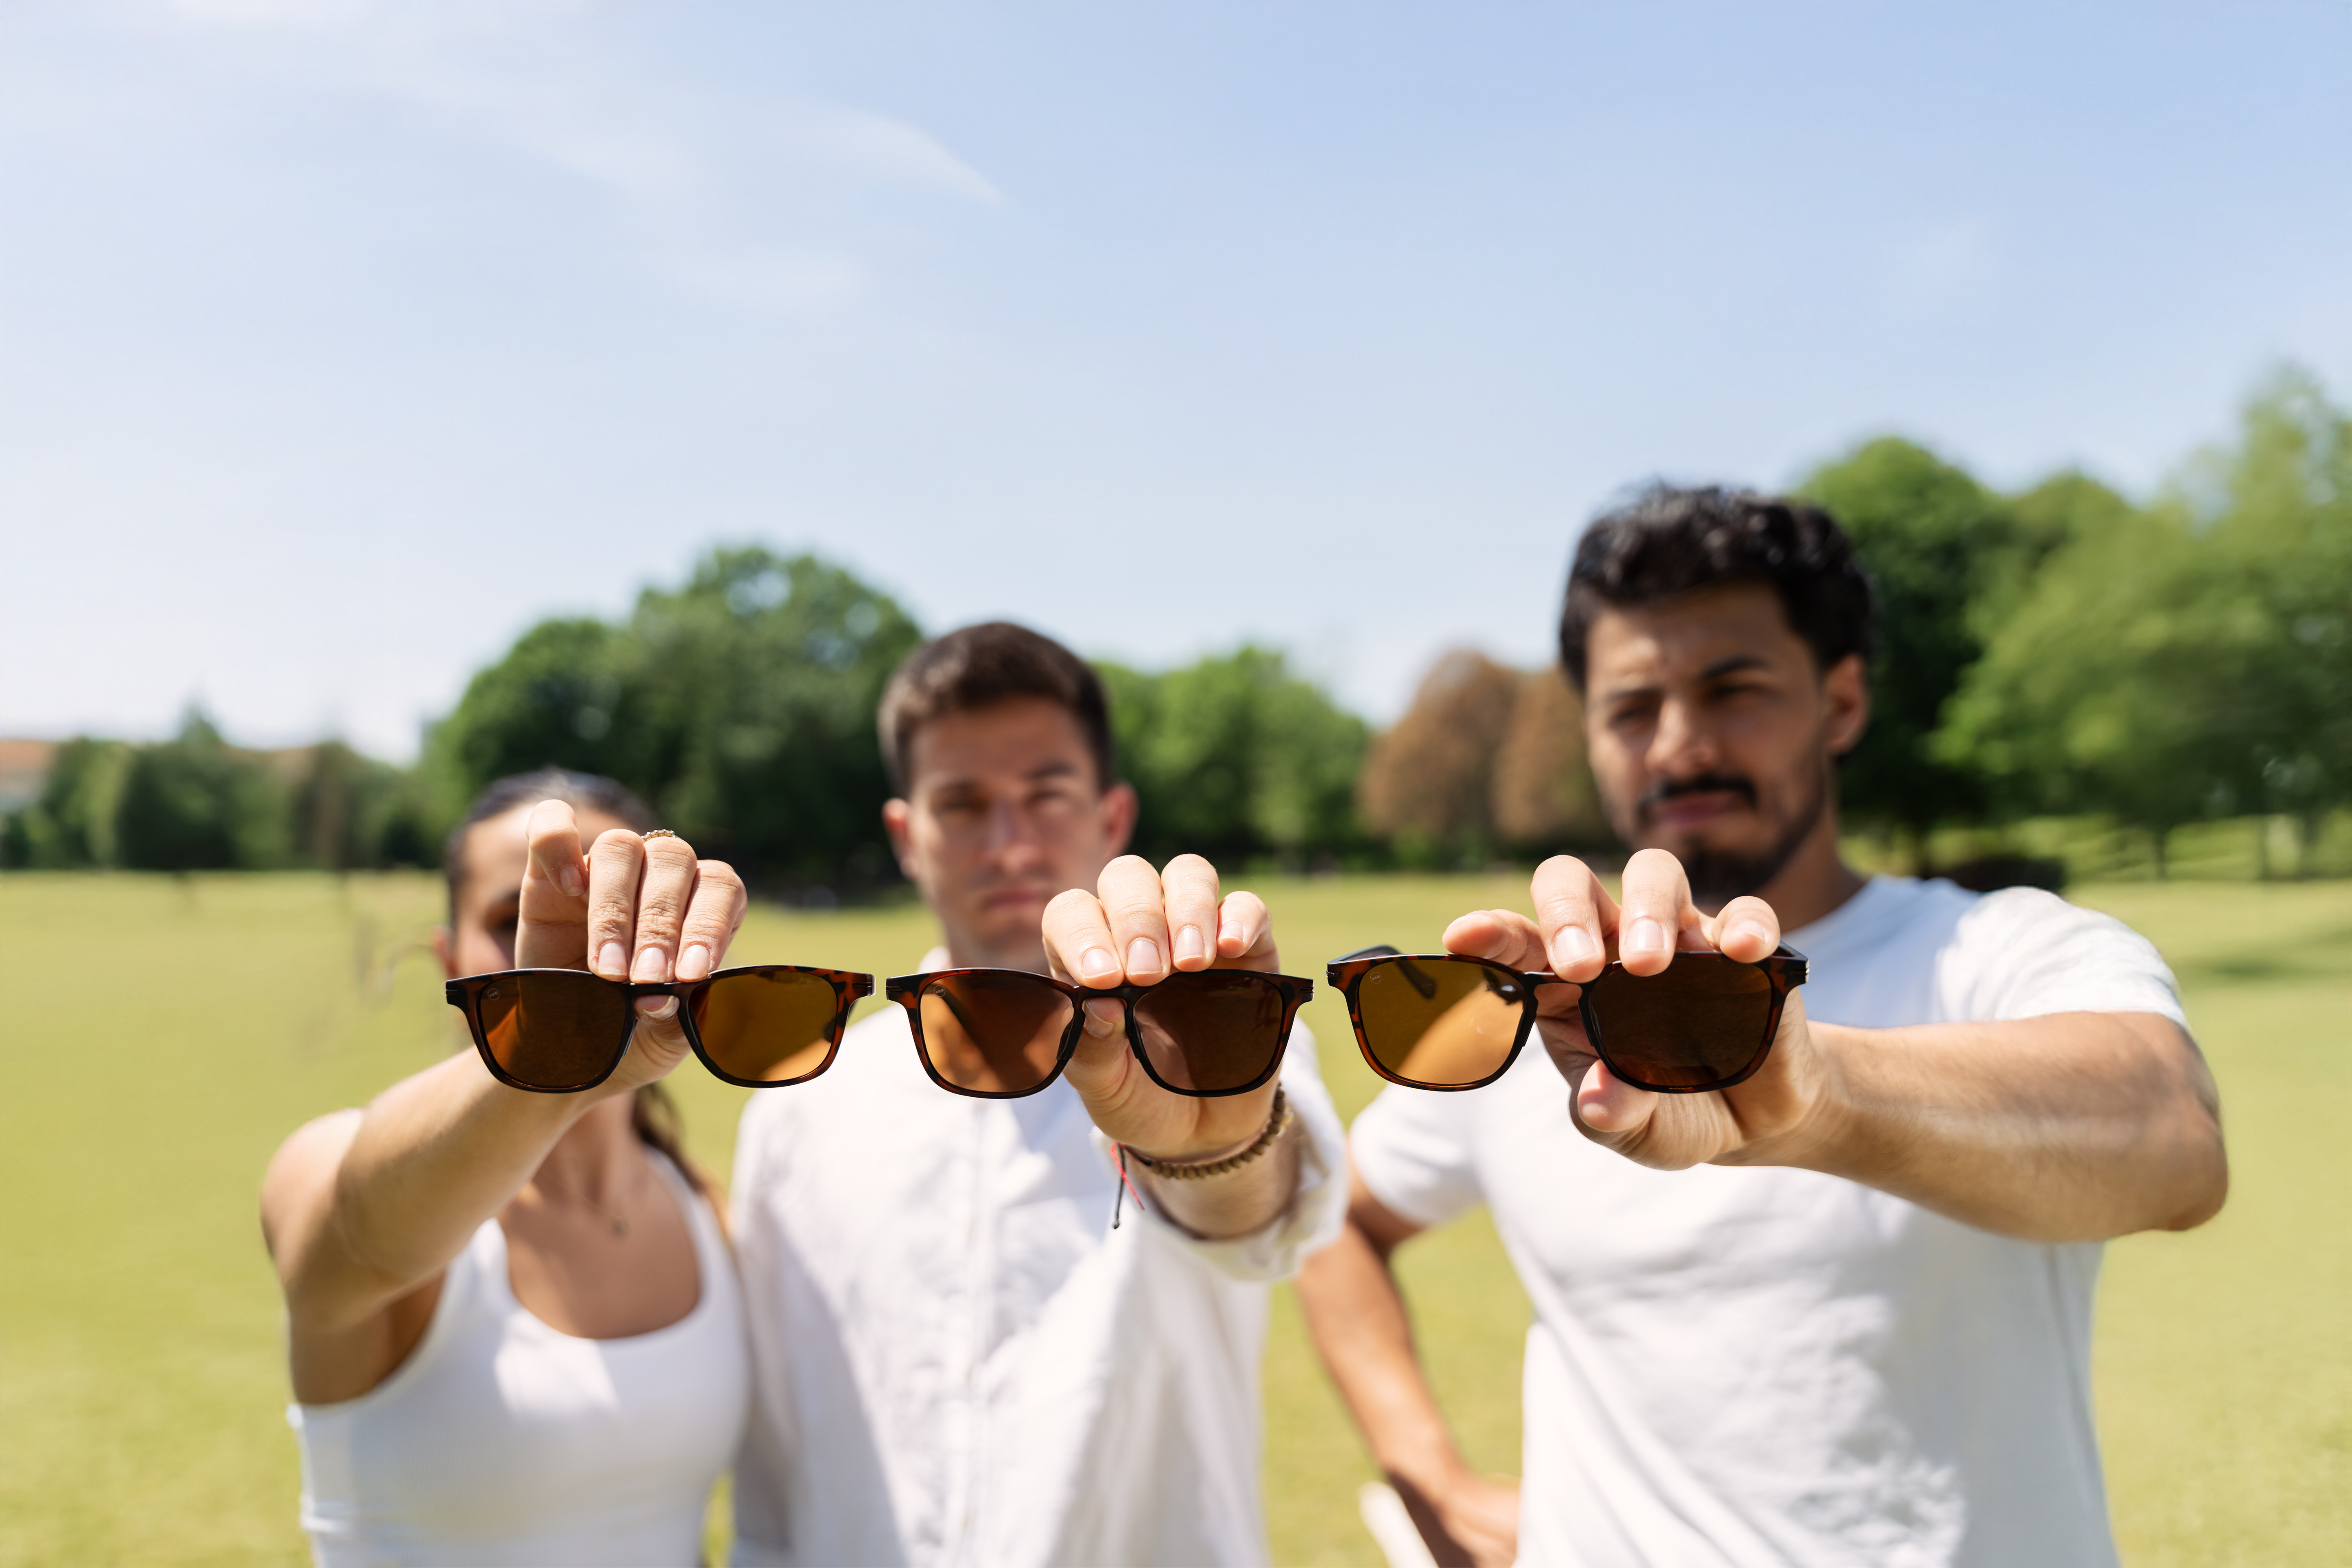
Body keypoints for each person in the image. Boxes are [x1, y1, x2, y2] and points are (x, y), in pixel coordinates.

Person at [1296, 486, 2229, 1568]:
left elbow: (2174, 1141)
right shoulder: (1541, 1001)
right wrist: (1434, 1480)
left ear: (1840, 704)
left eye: (1733, 690)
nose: (1682, 746)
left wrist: (1810, 1092)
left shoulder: (2003, 951)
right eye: (1632, 710)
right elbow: (1337, 1226)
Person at [728, 622, 1348, 1568]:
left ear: (1112, 817)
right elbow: (776, 1462)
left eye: (1047, 796)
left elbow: (1259, 1214)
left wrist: (1206, 1144)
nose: (1009, 844)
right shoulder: (803, 1102)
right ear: (908, 834)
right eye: (964, 804)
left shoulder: (1219, 1048)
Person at [262, 769, 753, 1566]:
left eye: (614, 917)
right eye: (510, 918)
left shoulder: (703, 1206)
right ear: (447, 954)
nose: (585, 953)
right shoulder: (326, 1165)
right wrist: (545, 1046)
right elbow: (362, 1231)